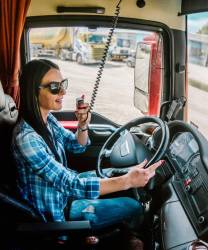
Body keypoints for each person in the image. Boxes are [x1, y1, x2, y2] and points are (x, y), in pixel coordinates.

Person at [11, 59, 163, 247]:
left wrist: (83, 124)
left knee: (113, 172)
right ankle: (129, 239)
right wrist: (128, 181)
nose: (63, 92)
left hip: (64, 193)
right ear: (33, 91)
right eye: (54, 87)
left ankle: (117, 232)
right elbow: (70, 184)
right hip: (59, 212)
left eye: (63, 84)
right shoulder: (26, 138)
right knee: (133, 207)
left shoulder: (46, 119)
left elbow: (77, 146)